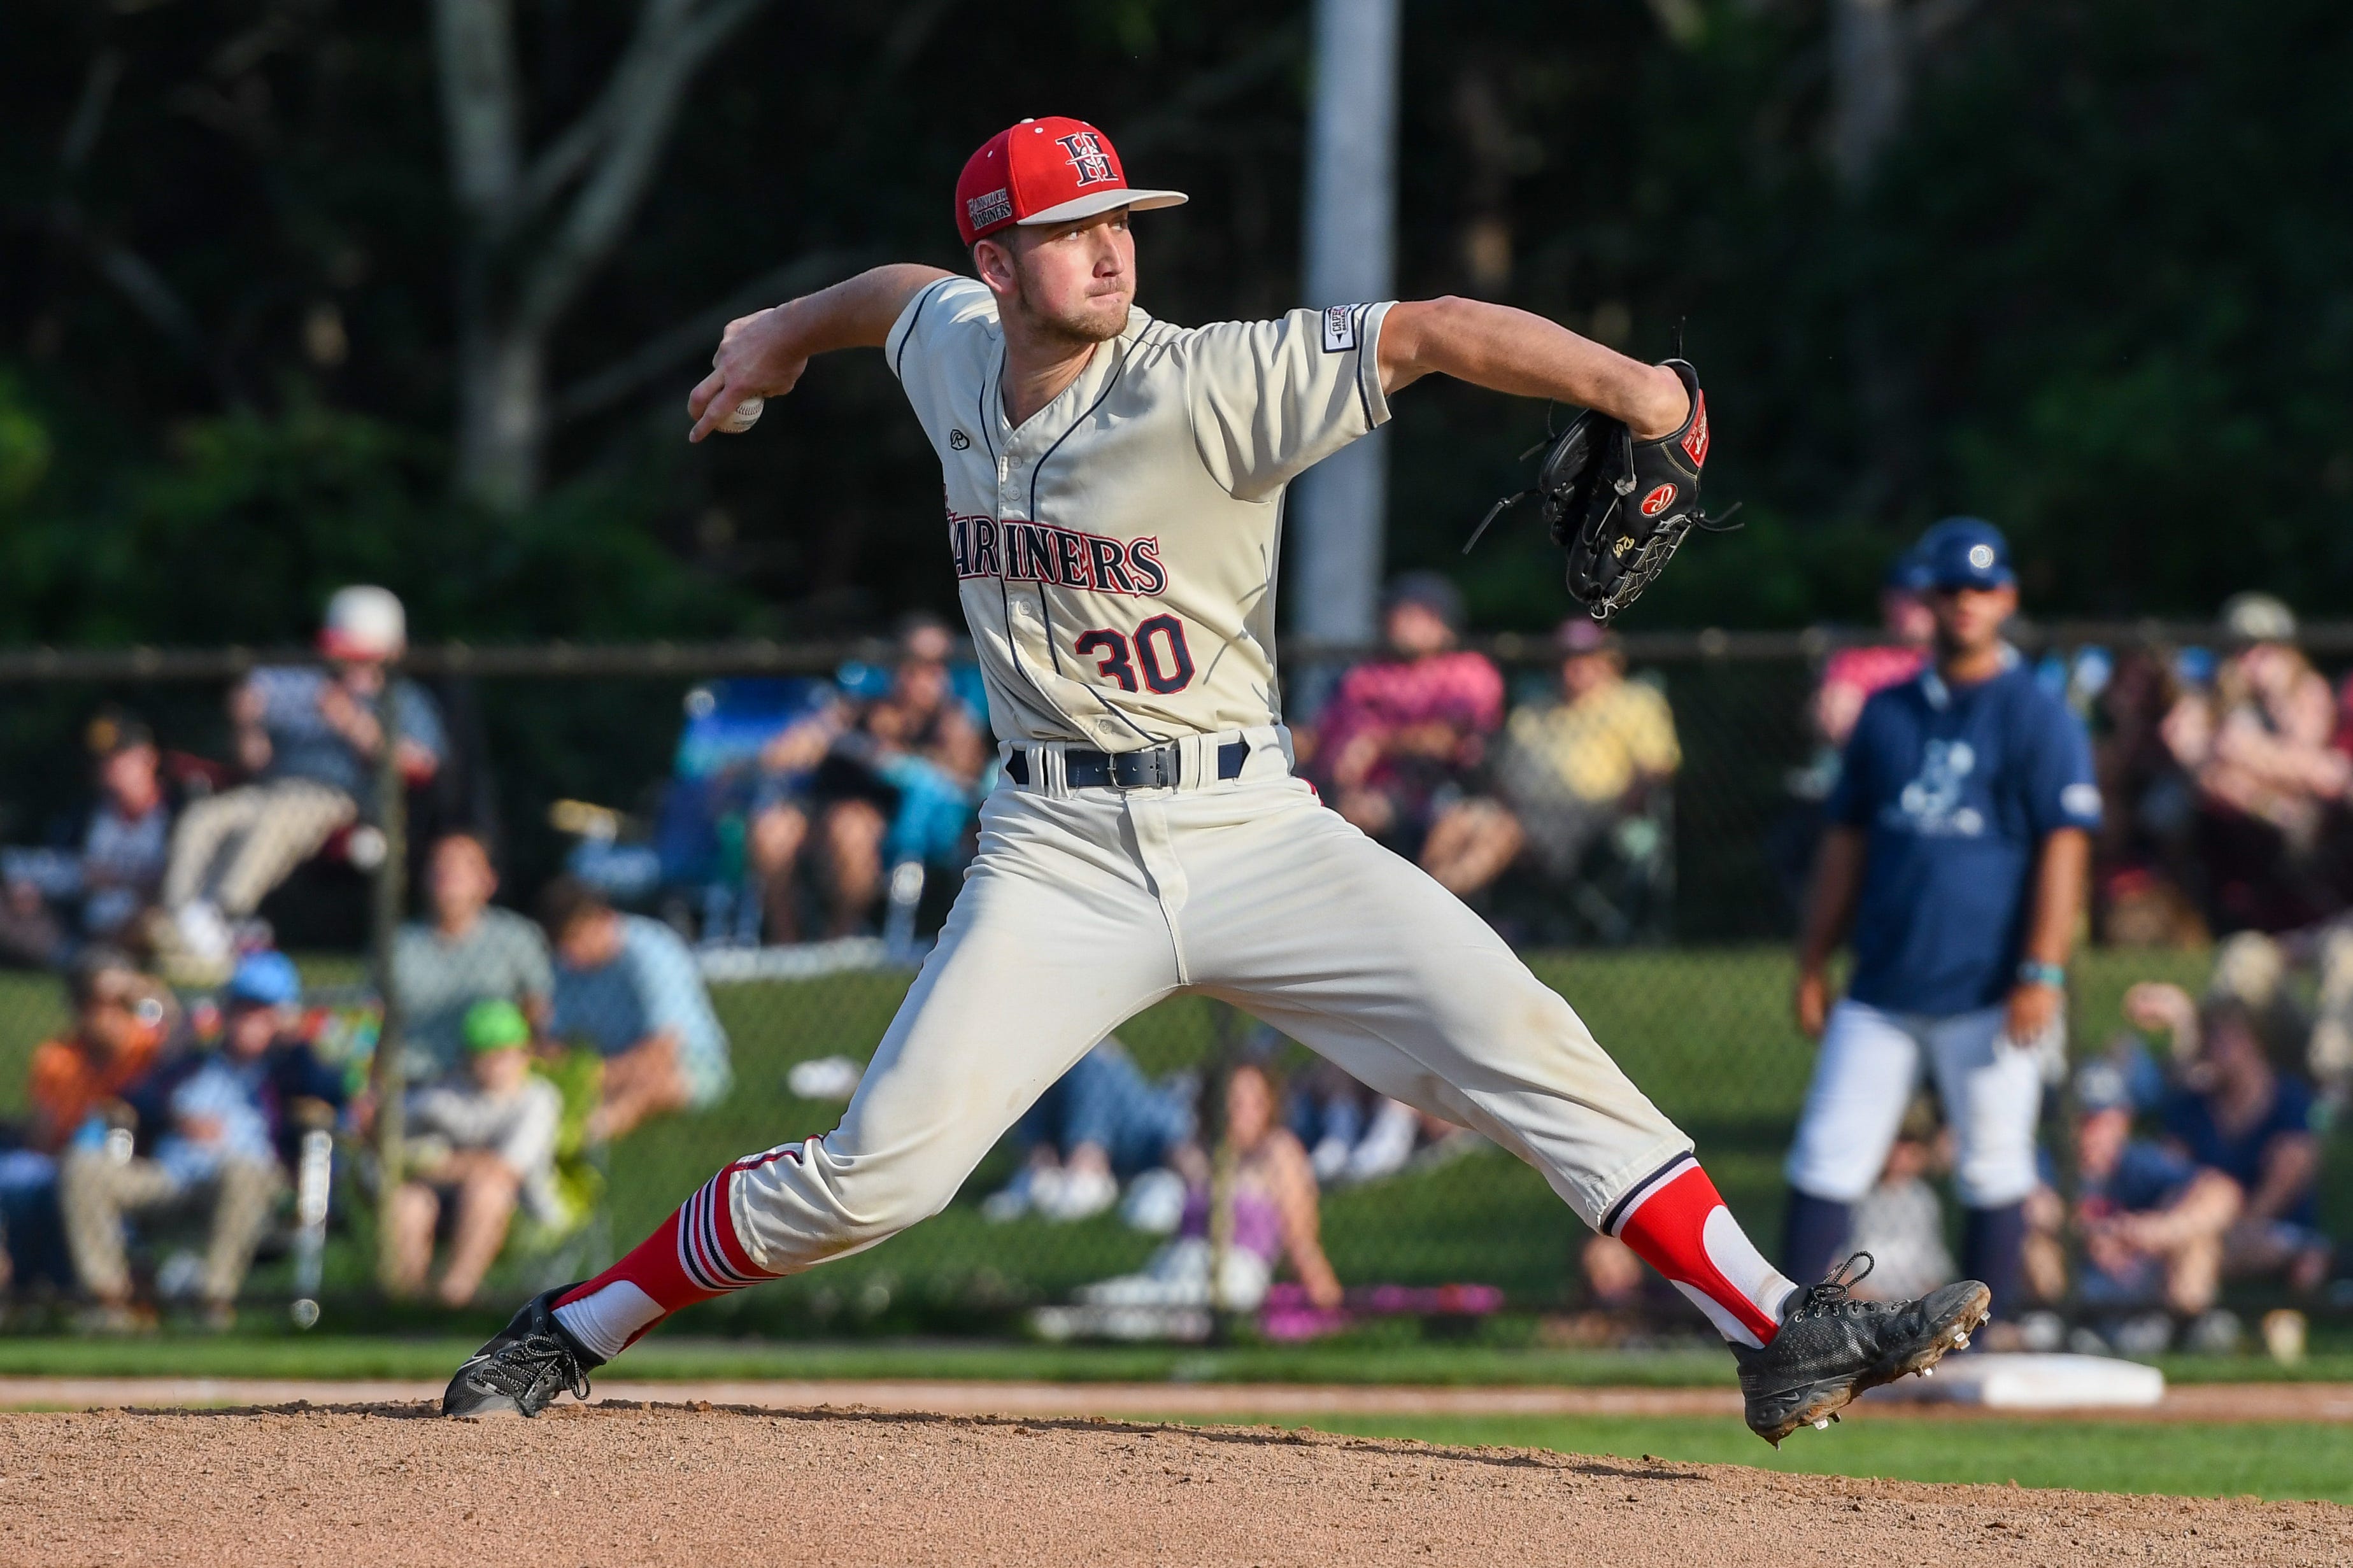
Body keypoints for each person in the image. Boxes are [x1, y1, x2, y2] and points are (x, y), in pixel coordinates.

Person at [446, 114, 1986, 1443]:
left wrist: (1644, 393)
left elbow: (1435, 325)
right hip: (1053, 845)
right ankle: (574, 1321)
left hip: (1250, 824)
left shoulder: (1206, 381)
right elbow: (886, 297)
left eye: (1119, 219)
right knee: (874, 1180)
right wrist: (783, 325)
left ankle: (1777, 1324)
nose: (1109, 251)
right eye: (1066, 230)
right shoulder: (955, 347)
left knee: (1522, 1036)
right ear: (998, 262)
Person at [1783, 517, 2100, 1336]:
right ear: (1927, 601)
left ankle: (1982, 1344)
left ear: (2007, 599)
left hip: (1990, 986)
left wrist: (2041, 970)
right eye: (1951, 589)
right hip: (1883, 982)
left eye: (1981, 589)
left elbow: (2063, 852)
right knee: (1826, 1155)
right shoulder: (1886, 713)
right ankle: (1783, 1337)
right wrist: (1814, 959)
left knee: (1994, 1164)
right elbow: (1843, 844)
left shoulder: (2035, 712)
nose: (1965, 603)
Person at [160, 586, 446, 965]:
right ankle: (180, 916)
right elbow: (255, 763)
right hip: (271, 790)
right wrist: (247, 725)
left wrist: (353, 724)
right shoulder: (300, 687)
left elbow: (422, 765)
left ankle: (227, 914)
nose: (348, 666)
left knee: (277, 817)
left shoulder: (405, 698)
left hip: (340, 800)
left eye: (359, 657)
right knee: (203, 818)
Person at [59, 951, 322, 1329]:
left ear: (280, 1020)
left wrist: (293, 1044)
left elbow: (328, 1093)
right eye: (240, 1008)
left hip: (242, 1182)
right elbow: (135, 1098)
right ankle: (109, 1305)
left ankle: (210, 1306)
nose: (246, 1021)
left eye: (259, 1012)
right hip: (170, 1177)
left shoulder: (288, 1071)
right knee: (83, 1166)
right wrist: (178, 1117)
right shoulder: (192, 1065)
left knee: (243, 1171)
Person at [1046, 1062, 1340, 1332]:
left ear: (1268, 1106)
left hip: (1232, 1276)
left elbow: (1301, 1241)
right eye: (1230, 1101)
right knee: (1086, 1303)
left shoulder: (1277, 1152)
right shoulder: (1207, 1154)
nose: (1238, 1111)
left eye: (1251, 1102)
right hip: (1174, 1266)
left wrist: (1329, 1306)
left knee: (1144, 1316)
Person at [1441, 617, 1681, 903]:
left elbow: (1657, 767)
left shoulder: (1635, 701)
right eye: (1565, 658)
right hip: (1520, 811)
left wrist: (1627, 807)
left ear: (1609, 660)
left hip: (1593, 815)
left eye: (1585, 658)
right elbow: (1502, 780)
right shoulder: (1534, 711)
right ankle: (1428, 903)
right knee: (1458, 819)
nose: (1574, 667)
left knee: (1500, 834)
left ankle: (1433, 907)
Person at [1305, 572, 1504, 867]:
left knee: (1472, 828)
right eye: (1395, 612)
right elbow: (1327, 740)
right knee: (1343, 817)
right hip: (1370, 793)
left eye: (1412, 614)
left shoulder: (1469, 672)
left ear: (1443, 624)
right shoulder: (1366, 675)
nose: (1396, 621)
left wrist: (1379, 743)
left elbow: (1451, 739)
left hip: (1447, 791)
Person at [387, 999, 565, 1307]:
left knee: (487, 1190)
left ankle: (455, 1298)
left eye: (505, 1054)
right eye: (486, 1055)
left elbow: (506, 1169)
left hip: (522, 1209)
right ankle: (409, 1305)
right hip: (443, 1200)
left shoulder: (538, 1098)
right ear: (468, 1058)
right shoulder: (445, 1095)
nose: (496, 1065)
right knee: (408, 1201)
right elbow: (395, 1148)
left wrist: (437, 1163)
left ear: (525, 1055)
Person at [540, 877, 732, 1140]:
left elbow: (663, 1051)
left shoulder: (651, 950)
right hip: (605, 1070)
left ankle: (585, 1137)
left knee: (651, 1085)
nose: (571, 951)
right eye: (562, 943)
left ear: (605, 919)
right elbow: (556, 1042)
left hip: (688, 1064)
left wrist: (590, 1076)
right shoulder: (566, 967)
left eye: (576, 937)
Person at [394, 831, 556, 1078]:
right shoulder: (399, 944)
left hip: (491, 1083)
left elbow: (540, 1014)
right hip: (409, 1080)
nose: (449, 872)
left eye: (464, 865)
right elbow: (373, 1023)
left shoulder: (517, 937)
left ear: (488, 882)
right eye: (441, 863)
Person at [982, 1037, 1194, 1223]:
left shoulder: (1090, 1064)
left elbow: (1181, 1151)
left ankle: (1074, 1171)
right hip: (1142, 1127)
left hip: (1159, 1131)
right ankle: (1055, 1174)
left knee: (1090, 1059)